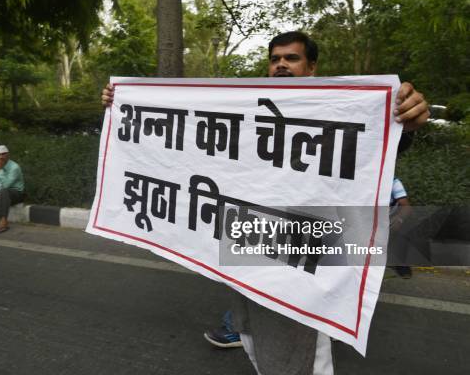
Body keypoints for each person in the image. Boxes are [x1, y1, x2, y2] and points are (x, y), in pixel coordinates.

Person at [101, 31, 430, 375]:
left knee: (300, 356)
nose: (281, 65)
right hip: (247, 239)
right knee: (253, 339)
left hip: (301, 251)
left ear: (312, 67)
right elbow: (185, 142)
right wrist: (122, 101)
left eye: (292, 58)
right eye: (275, 59)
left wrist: (405, 126)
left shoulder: (335, 107)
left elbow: (367, 144)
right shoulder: (251, 106)